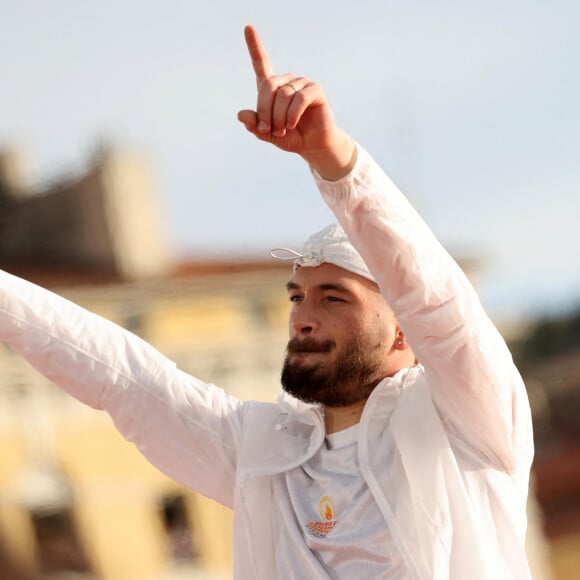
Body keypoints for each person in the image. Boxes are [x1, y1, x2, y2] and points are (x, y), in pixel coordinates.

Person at [0, 25, 533, 579]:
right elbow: (121, 376)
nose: (303, 316)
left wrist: (337, 163)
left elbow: (441, 305)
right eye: (298, 296)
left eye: (333, 297)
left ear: (403, 330)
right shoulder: (261, 453)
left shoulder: (469, 420)